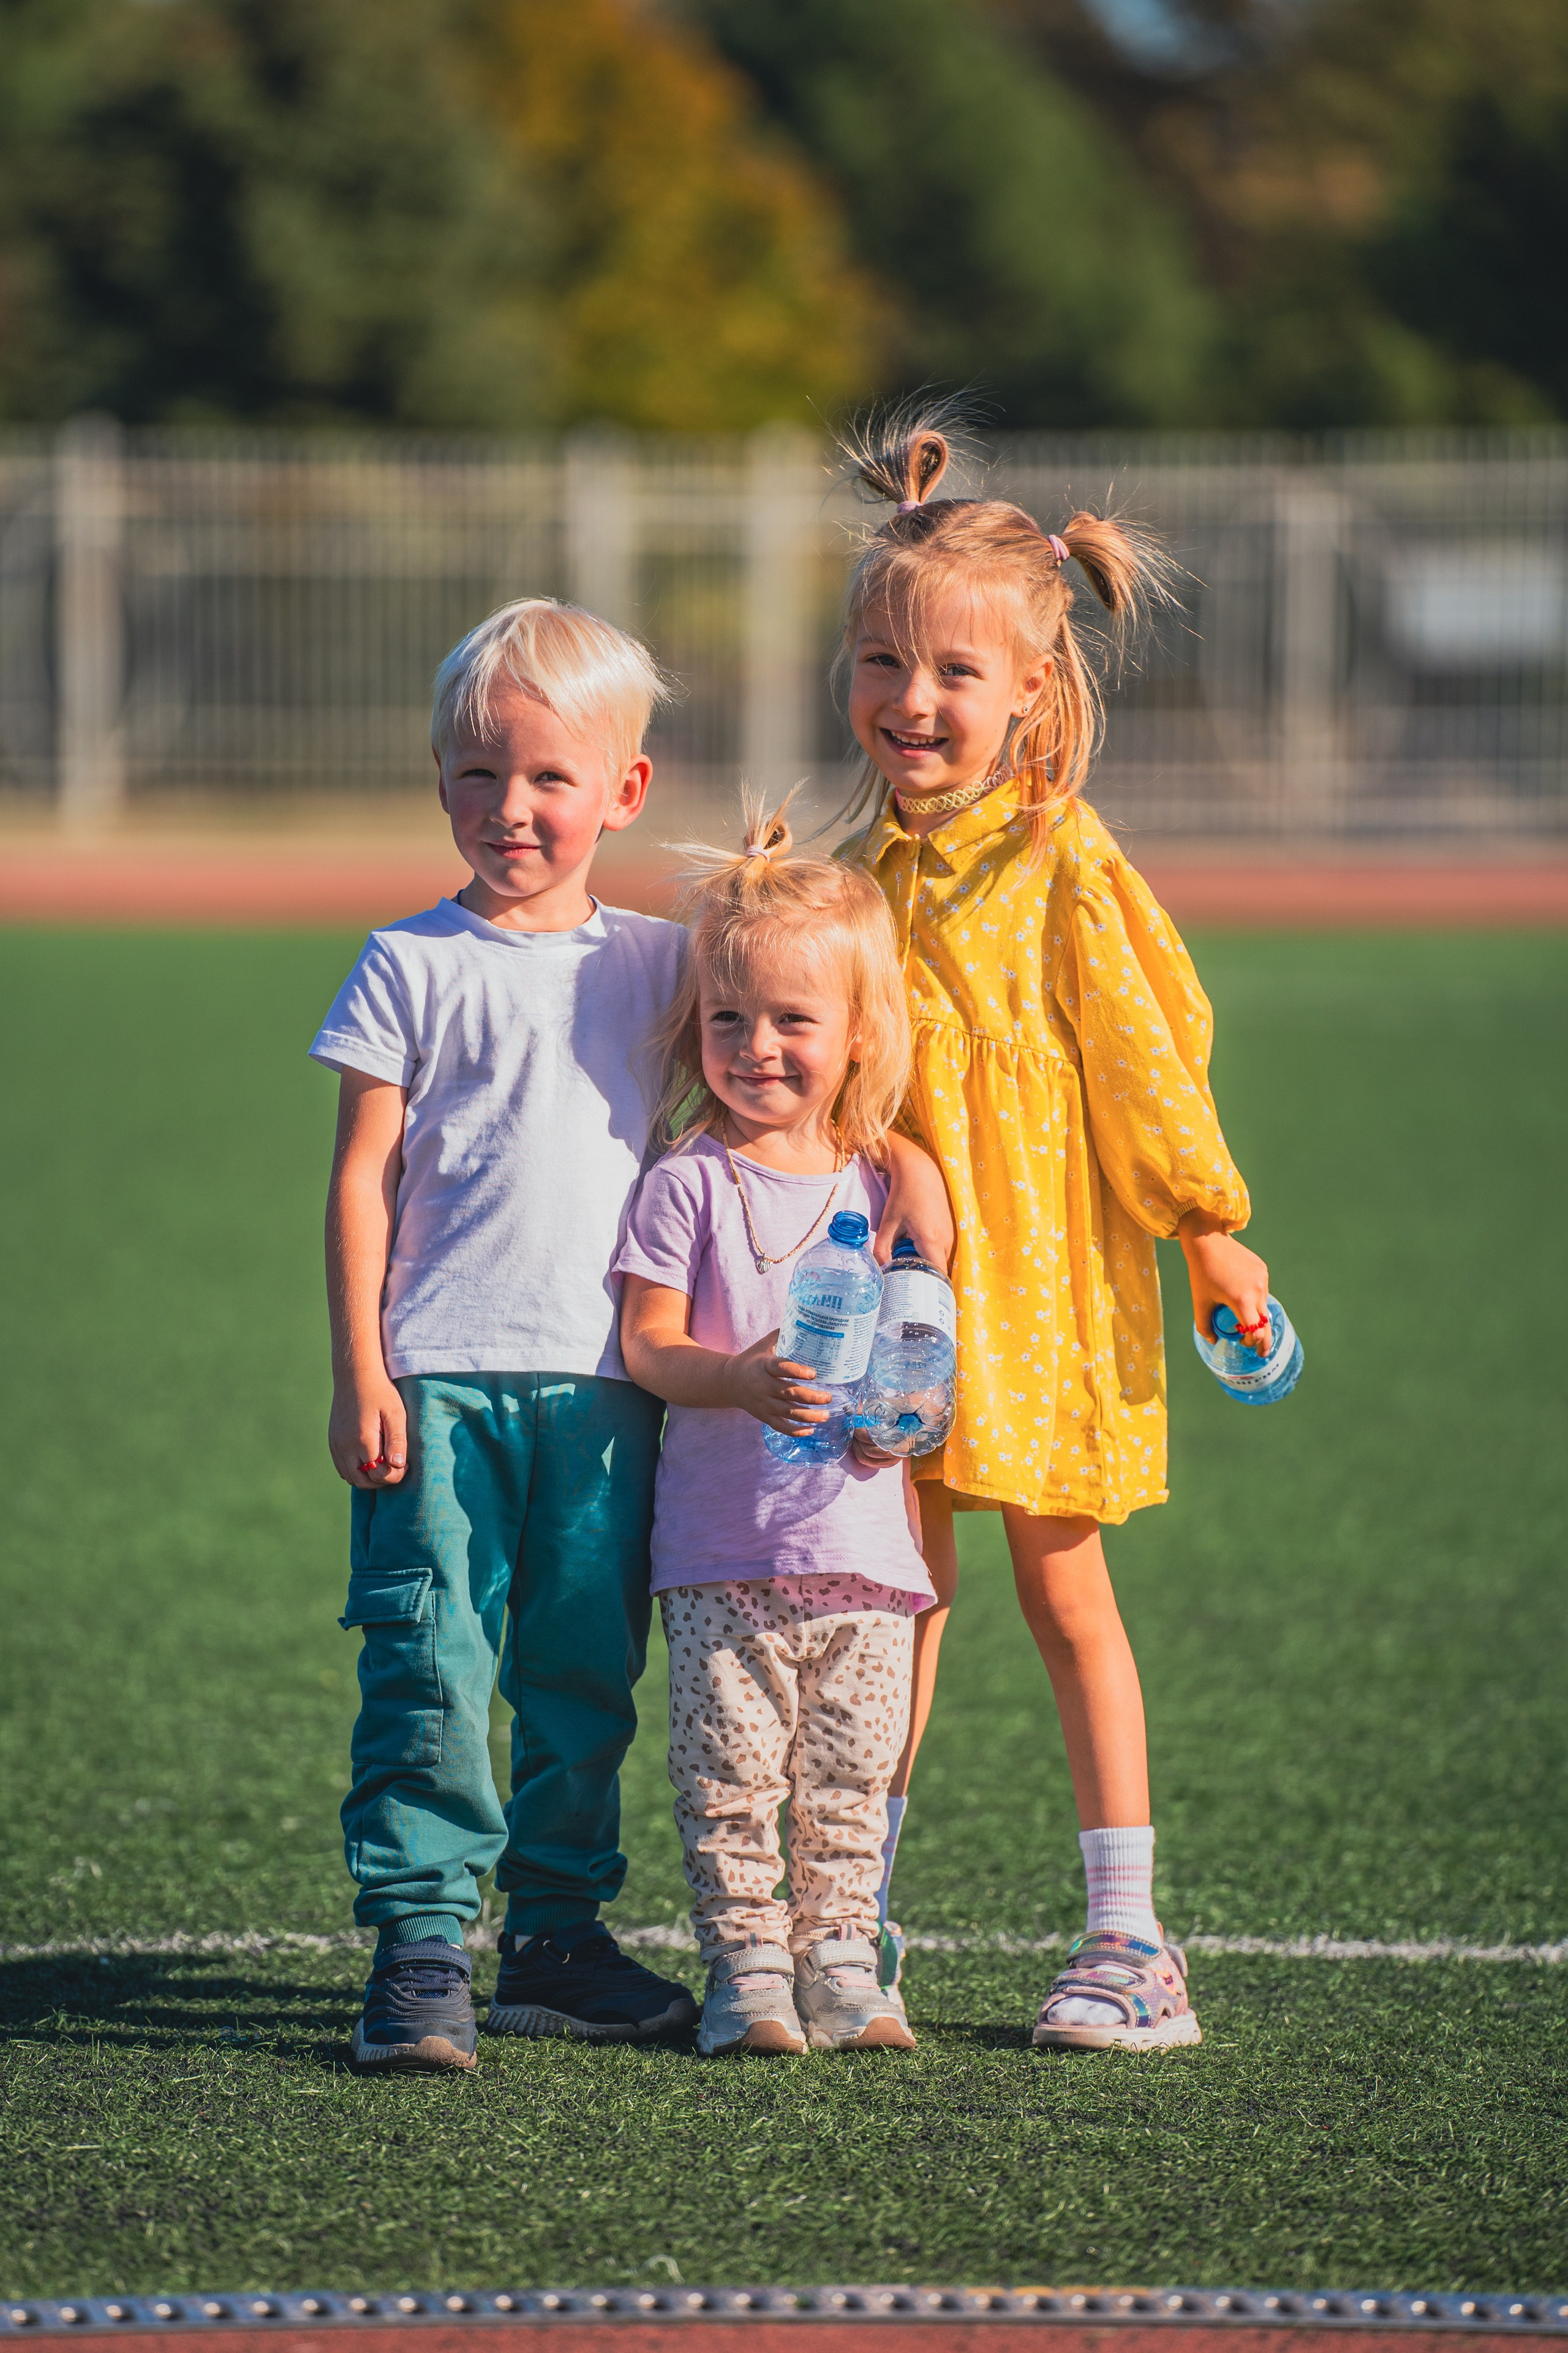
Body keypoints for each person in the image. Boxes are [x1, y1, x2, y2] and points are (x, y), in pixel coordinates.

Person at [314, 596, 951, 2073]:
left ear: (625, 790)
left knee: (582, 1671)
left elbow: (800, 1003)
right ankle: (420, 1942)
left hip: (612, 1393)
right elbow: (359, 1178)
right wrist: (360, 1366)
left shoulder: (666, 959)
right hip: (439, 1380)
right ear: (437, 780)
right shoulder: (406, 962)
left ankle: (551, 1933)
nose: (510, 807)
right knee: (429, 1659)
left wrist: (901, 1155)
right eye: (477, 773)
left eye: (547, 777)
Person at [834, 404, 1272, 2052]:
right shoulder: (862, 869)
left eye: (953, 673)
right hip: (909, 1313)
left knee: (1068, 1598)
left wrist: (1213, 1229)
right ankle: (849, 1917)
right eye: (883, 663)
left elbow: (1151, 1066)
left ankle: (1129, 1938)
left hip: (1059, 1300)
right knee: (896, 1604)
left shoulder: (1066, 865)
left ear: (1035, 687)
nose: (913, 701)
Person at [616, 801, 938, 2057]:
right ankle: (745, 1968)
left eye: (792, 1020)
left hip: (863, 1555)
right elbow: (648, 1346)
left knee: (849, 1780)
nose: (756, 1047)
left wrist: (905, 1415)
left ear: (856, 1035)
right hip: (718, 1552)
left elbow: (924, 1335)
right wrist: (734, 1378)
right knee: (729, 1782)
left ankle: (843, 1960)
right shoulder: (685, 1180)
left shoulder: (883, 1181)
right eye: (728, 1018)